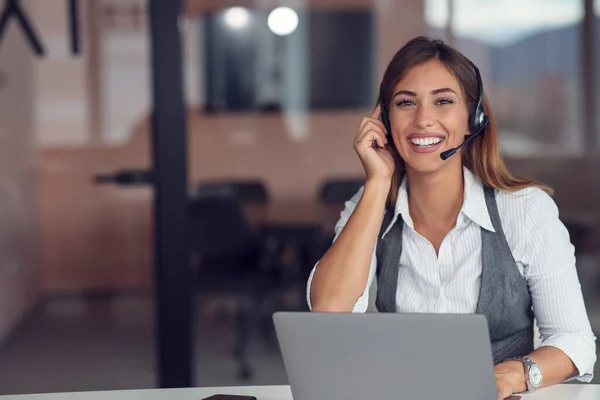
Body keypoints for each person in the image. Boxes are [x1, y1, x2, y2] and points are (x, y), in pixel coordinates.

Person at [306, 36, 596, 400]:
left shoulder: (525, 210)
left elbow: (575, 342)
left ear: (472, 119)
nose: (423, 119)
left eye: (443, 101)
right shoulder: (367, 210)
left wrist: (514, 375)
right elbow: (330, 313)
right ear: (384, 119)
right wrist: (377, 182)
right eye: (405, 103)